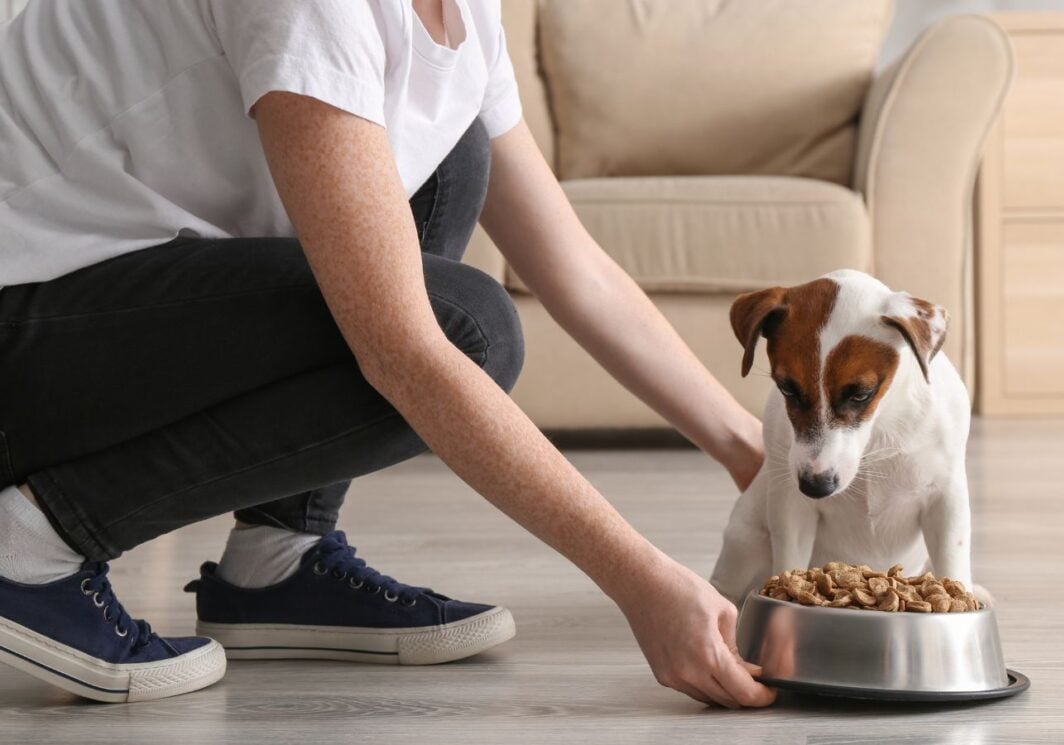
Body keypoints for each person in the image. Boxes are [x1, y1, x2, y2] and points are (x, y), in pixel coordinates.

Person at [0, 0, 774, 708]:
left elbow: (577, 271)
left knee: (454, 149)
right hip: (25, 319)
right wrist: (640, 582)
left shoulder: (465, 13)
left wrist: (753, 454)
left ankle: (279, 557)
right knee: (470, 331)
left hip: (100, 301)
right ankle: (28, 549)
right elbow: (403, 351)